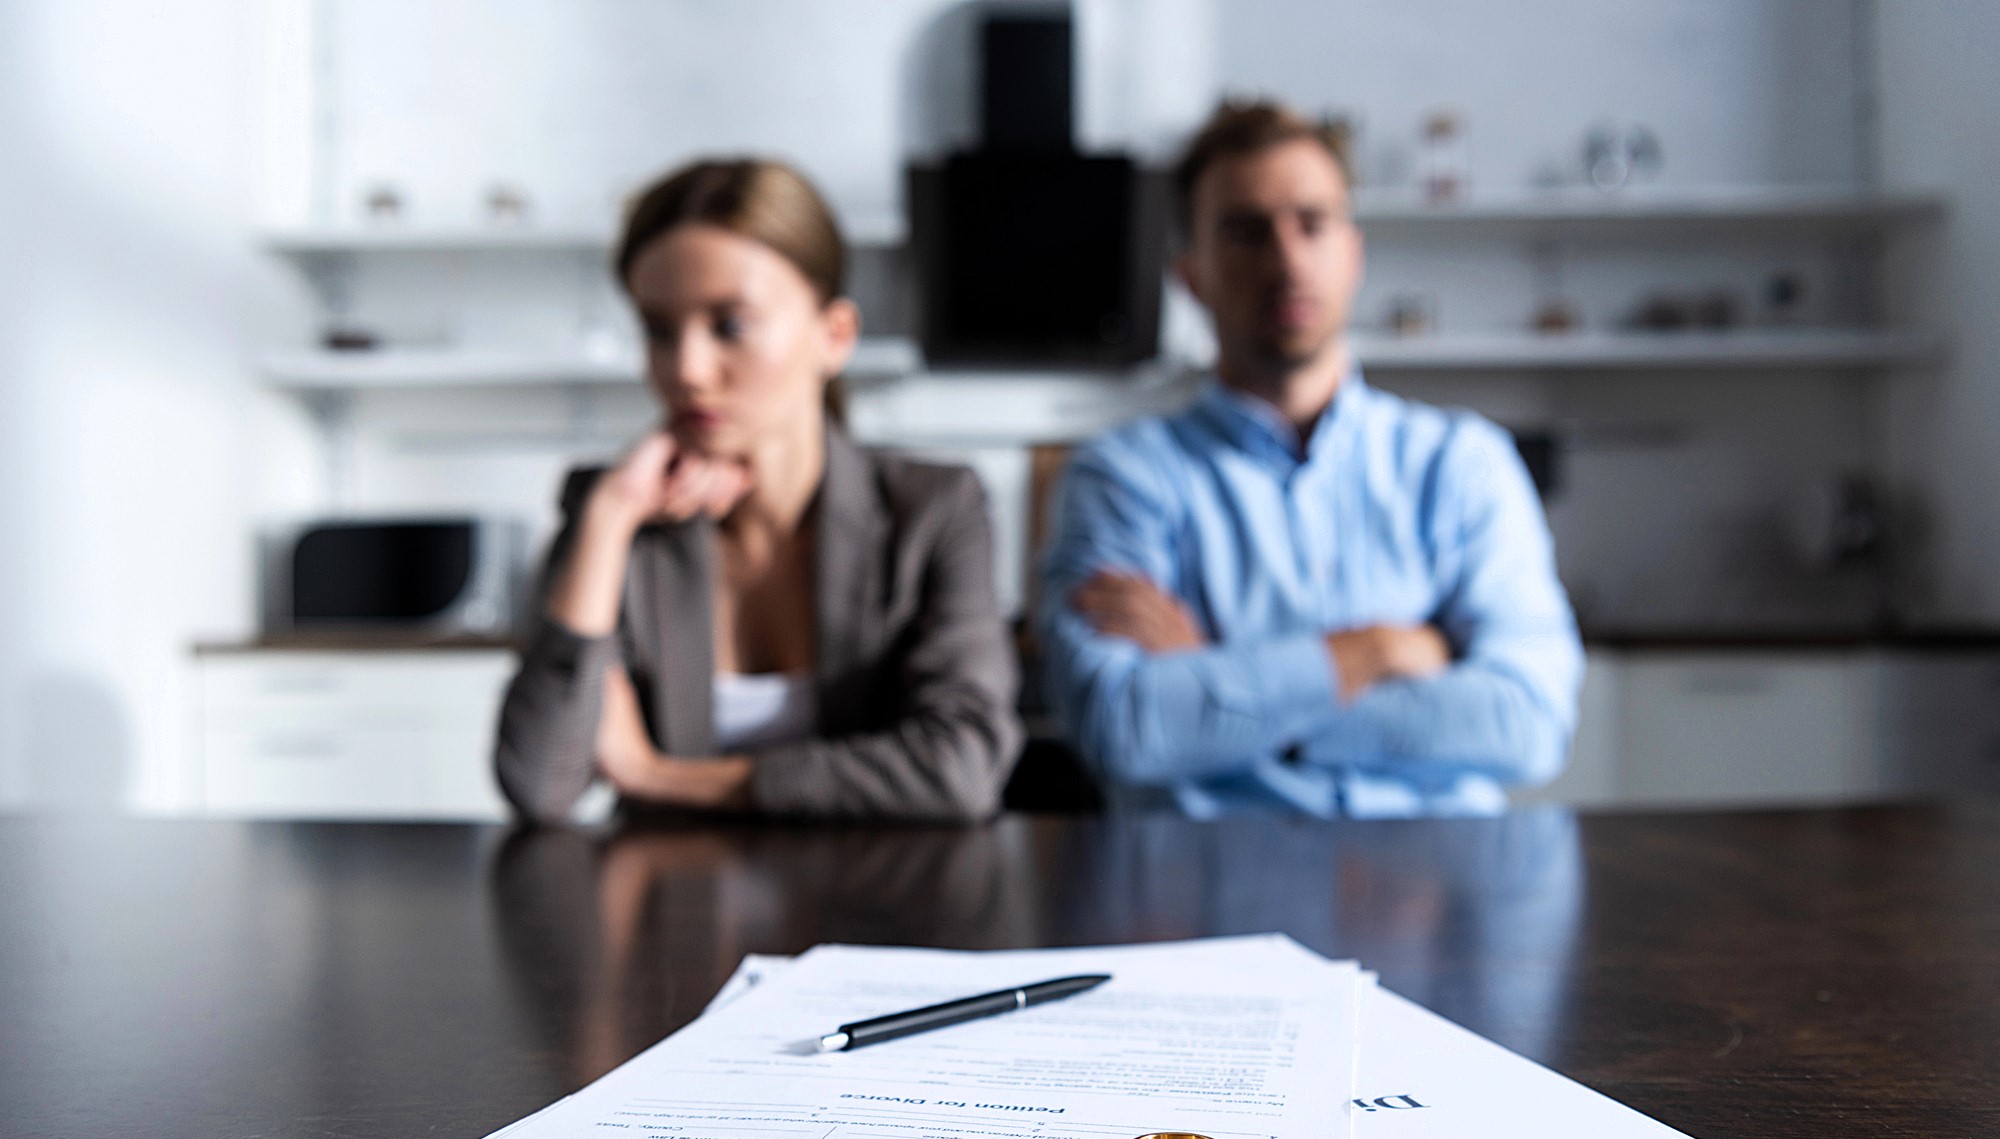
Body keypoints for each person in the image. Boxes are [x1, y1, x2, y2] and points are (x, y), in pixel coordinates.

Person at [1038, 101, 1583, 818]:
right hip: (1206, 892)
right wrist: (1378, 652)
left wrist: (1222, 693)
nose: (1287, 260)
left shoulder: (1461, 465)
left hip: (1438, 892)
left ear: (1354, 251)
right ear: (1190, 275)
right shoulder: (1121, 478)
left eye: (1313, 223)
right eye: (1245, 232)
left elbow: (1529, 721)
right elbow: (1126, 725)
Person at [497, 159, 1020, 824]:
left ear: (833, 336)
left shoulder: (933, 508)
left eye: (730, 326)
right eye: (659, 330)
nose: (686, 370)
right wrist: (609, 517)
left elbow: (963, 768)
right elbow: (538, 783)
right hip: (673, 915)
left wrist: (660, 777)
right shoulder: (616, 512)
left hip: (874, 909)